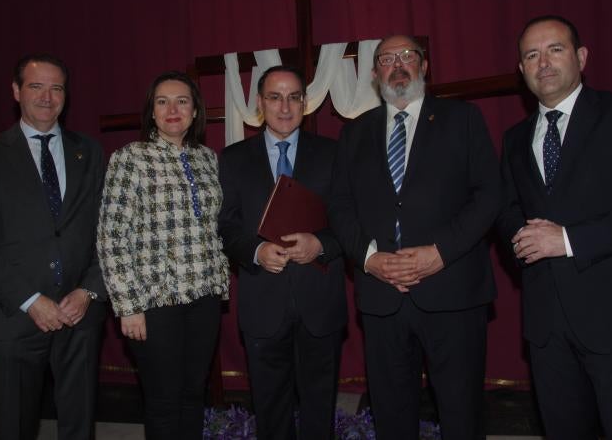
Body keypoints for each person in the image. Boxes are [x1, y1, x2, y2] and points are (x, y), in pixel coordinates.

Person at [497, 15, 612, 439]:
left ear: (581, 57)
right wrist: (521, 239)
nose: (543, 62)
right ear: (522, 70)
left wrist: (566, 239)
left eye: (555, 49)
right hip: (547, 327)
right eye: (531, 54)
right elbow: (507, 210)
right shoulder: (513, 139)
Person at [329, 36, 500, 439]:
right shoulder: (354, 134)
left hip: (453, 290)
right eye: (387, 59)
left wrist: (440, 253)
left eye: (408, 56)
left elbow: (489, 195)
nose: (398, 64)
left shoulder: (464, 119)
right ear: (375, 75)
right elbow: (339, 206)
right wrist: (369, 259)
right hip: (381, 295)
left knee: (461, 412)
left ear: (424, 66)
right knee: (391, 412)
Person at [0, 53, 106, 440]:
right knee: (17, 426)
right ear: (16, 91)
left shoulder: (88, 151)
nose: (47, 96)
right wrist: (31, 300)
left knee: (79, 424)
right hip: (16, 317)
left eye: (56, 87)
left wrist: (88, 289)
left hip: (79, 315)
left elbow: (107, 232)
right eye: (36, 86)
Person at [97, 71, 229, 439]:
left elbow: (212, 228)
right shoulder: (130, 159)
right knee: (163, 400)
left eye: (182, 101)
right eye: (162, 102)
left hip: (203, 298)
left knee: (192, 395)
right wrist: (128, 305)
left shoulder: (207, 159)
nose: (173, 109)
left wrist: (219, 282)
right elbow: (111, 235)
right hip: (154, 302)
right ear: (151, 113)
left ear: (195, 111)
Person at [218, 65, 347, 440]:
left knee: (319, 407)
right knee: (271, 410)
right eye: (275, 97)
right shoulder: (233, 158)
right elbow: (227, 227)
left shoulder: (334, 153)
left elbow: (351, 220)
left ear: (305, 103)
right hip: (263, 303)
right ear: (259, 104)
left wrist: (321, 243)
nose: (285, 106)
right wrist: (257, 251)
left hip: (320, 302)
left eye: (293, 97)